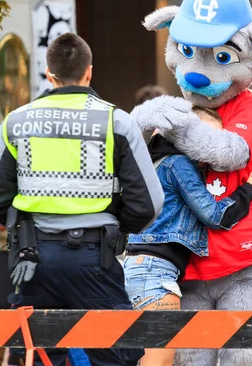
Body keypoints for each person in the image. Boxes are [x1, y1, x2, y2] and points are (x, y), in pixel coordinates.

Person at [0, 33, 164, 366]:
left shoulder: (15, 122)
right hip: (95, 257)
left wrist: (22, 224)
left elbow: (1, 196)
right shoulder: (116, 121)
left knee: (42, 354)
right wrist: (118, 227)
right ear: (89, 71)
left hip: (33, 259)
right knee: (115, 354)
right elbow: (148, 202)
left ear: (49, 74)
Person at [124, 106, 252, 366]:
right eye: (206, 136)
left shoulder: (153, 161)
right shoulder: (178, 164)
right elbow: (213, 216)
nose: (210, 148)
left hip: (138, 268)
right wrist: (248, 190)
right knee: (159, 363)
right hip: (156, 274)